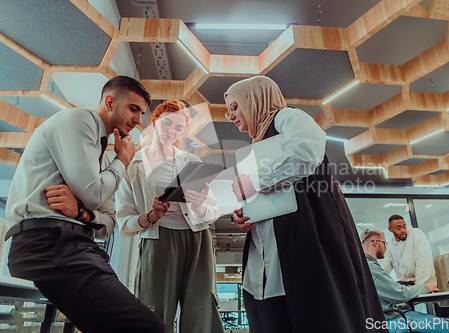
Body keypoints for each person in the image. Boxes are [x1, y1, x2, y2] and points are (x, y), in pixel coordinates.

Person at [226, 76, 387, 333]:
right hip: (270, 262)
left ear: (255, 99)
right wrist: (245, 213)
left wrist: (255, 181)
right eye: (228, 109)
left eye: (235, 106)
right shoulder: (256, 146)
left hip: (304, 248)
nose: (230, 115)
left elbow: (306, 154)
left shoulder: (287, 118)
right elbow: (274, 193)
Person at [5, 76, 165, 332]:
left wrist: (81, 213)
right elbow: (93, 195)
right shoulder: (80, 119)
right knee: (147, 328)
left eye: (142, 113)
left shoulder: (102, 161)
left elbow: (109, 224)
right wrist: (122, 159)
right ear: (110, 102)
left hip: (78, 246)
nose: (138, 120)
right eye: (133, 109)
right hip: (48, 243)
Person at [116, 99, 224, 333]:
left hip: (197, 240)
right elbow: (124, 221)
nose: (171, 132)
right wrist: (152, 216)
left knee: (201, 310)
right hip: (158, 240)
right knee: (154, 309)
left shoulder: (192, 161)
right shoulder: (134, 165)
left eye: (178, 128)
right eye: (167, 124)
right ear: (154, 121)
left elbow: (212, 211)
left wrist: (199, 206)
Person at [362, 228, 449, 333]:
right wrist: (426, 287)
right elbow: (400, 294)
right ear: (375, 243)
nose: (385, 248)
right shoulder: (371, 268)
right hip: (395, 320)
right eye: (384, 244)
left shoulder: (365, 267)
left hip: (388, 319)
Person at [380, 215, 437, 285]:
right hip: (405, 285)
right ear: (390, 229)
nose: (403, 230)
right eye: (398, 228)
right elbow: (383, 269)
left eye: (404, 227)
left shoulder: (416, 235)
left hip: (422, 284)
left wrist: (420, 288)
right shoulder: (389, 245)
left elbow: (424, 264)